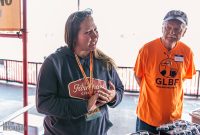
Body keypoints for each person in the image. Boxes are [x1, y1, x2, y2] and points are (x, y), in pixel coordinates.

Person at [36, 9, 124, 135]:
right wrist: (85, 106)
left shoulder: (104, 62)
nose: (95, 35)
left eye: (95, 29)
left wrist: (113, 96)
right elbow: (43, 104)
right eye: (88, 32)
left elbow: (119, 88)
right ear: (73, 37)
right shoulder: (54, 63)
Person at [134, 10, 196, 134]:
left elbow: (182, 78)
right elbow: (137, 75)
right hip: (147, 116)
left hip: (173, 118)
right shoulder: (147, 49)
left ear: (184, 32)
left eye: (177, 29)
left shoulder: (187, 52)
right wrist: (152, 92)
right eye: (168, 27)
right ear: (162, 27)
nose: (172, 32)